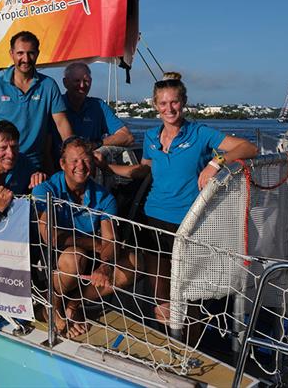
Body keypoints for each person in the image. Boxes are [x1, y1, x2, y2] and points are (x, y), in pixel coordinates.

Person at [107, 72, 258, 325]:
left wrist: (215, 162)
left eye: (174, 102)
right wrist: (106, 169)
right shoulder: (153, 138)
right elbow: (145, 170)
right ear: (155, 105)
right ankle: (169, 350)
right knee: (161, 296)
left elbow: (248, 147)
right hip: (152, 219)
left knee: (190, 297)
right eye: (163, 103)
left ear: (183, 102)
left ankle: (190, 347)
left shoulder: (200, 133)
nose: (169, 108)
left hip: (188, 225)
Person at [33, 137, 135, 337]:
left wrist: (104, 267)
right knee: (75, 257)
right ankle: (52, 308)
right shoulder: (45, 190)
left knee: (134, 263)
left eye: (86, 160)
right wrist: (94, 244)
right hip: (56, 257)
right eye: (74, 161)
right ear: (62, 164)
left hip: (93, 254)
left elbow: (110, 239)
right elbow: (51, 237)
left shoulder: (104, 197)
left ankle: (74, 304)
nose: (81, 166)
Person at [0, 31, 73, 173]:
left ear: (38, 54)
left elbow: (62, 123)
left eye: (31, 53)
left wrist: (73, 152)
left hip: (34, 165)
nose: (26, 59)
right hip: (1, 161)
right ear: (11, 54)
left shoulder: (48, 85)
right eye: (20, 53)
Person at [56, 62, 134, 152]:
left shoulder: (98, 106)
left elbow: (127, 137)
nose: (82, 85)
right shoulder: (56, 104)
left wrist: (95, 144)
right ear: (65, 83)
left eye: (86, 81)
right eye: (77, 81)